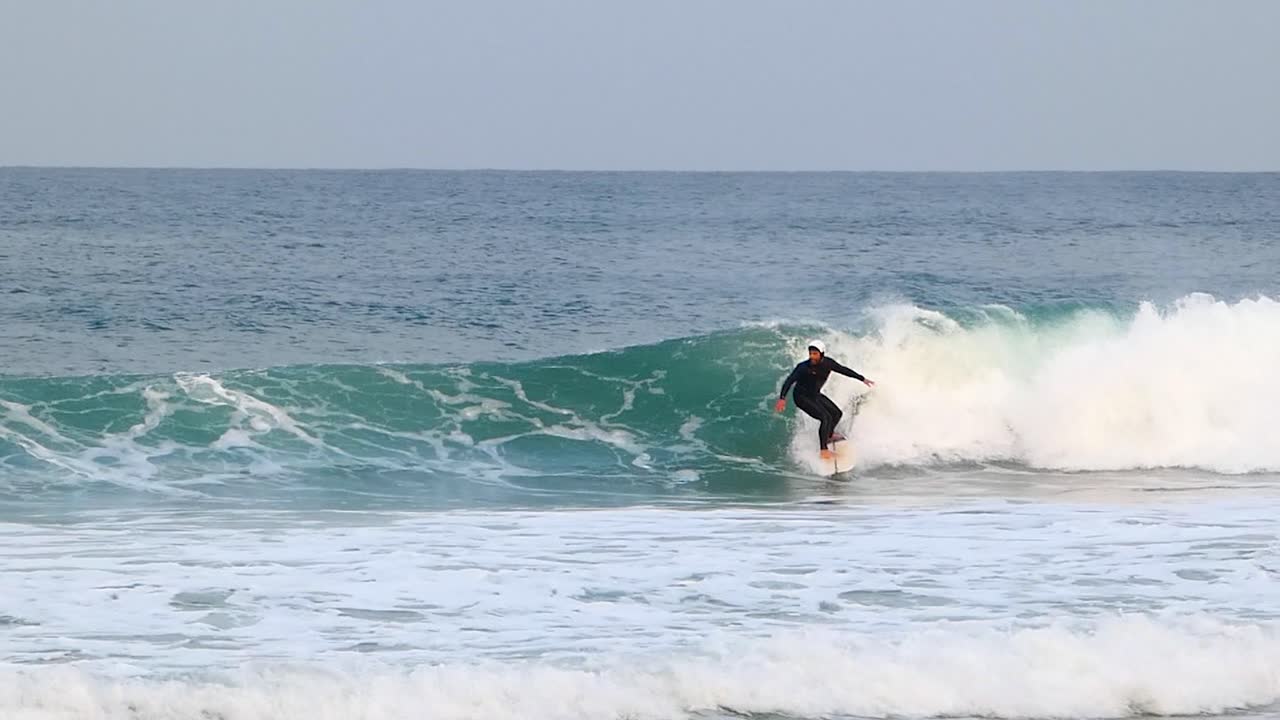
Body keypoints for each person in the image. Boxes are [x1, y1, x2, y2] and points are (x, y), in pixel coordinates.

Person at [774, 340, 874, 459]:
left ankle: (829, 435)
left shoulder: (828, 363)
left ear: (821, 354)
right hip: (801, 397)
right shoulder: (803, 367)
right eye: (810, 353)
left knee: (837, 413)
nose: (812, 356)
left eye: (815, 354)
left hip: (815, 395)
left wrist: (862, 379)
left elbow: (844, 370)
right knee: (825, 417)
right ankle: (823, 451)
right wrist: (782, 398)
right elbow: (789, 381)